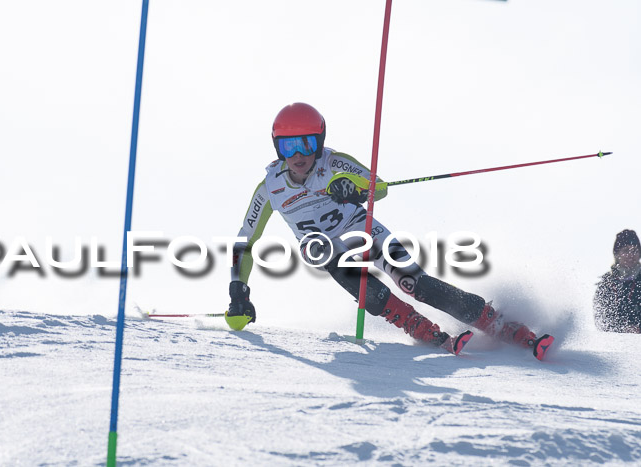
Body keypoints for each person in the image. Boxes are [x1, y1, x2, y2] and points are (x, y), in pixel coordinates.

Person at [226, 102, 554, 359]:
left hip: (363, 230)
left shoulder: (333, 163)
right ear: (277, 148)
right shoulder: (269, 188)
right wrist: (238, 290)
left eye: (306, 143)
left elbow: (378, 186)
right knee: (328, 258)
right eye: (288, 147)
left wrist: (353, 190)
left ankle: (498, 324)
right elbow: (246, 241)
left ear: (320, 142)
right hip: (326, 248)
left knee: (414, 283)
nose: (298, 155)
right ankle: (416, 325)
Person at [593, 229, 641, 333]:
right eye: (626, 250)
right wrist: (621, 330)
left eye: (635, 251)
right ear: (617, 254)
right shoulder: (607, 283)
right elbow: (601, 318)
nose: (631, 255)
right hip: (614, 343)